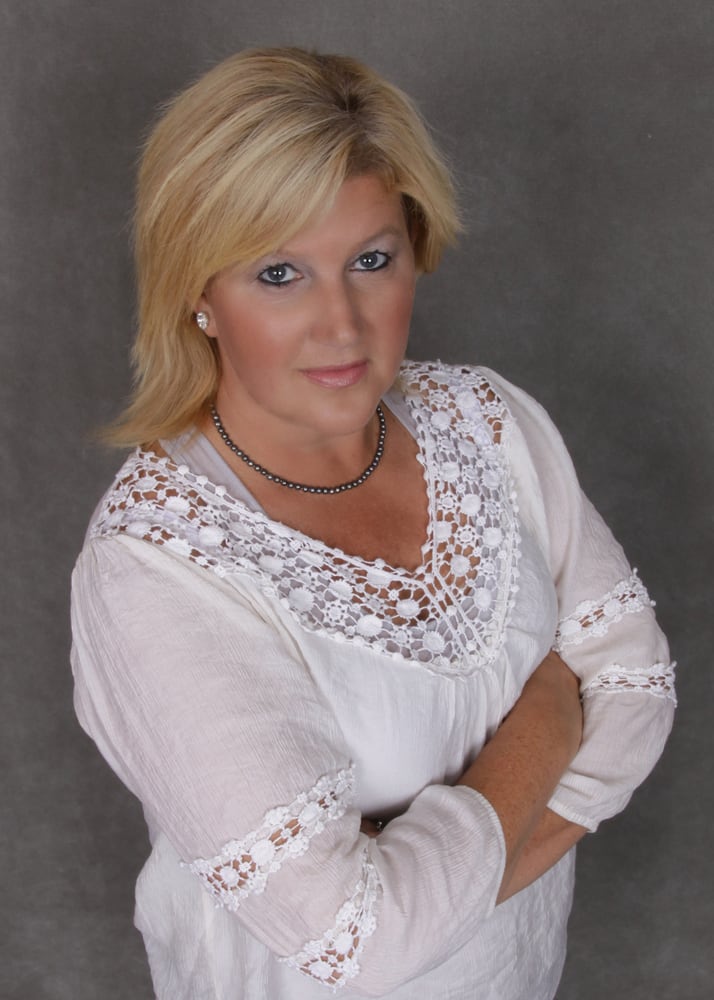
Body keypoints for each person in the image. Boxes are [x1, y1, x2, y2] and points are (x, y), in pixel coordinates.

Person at [70, 47, 675, 1000]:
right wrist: (554, 708)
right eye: (279, 272)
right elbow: (356, 945)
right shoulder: (154, 563)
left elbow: (638, 687)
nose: (342, 325)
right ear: (197, 293)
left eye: (370, 260)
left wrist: (422, 899)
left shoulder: (489, 424)